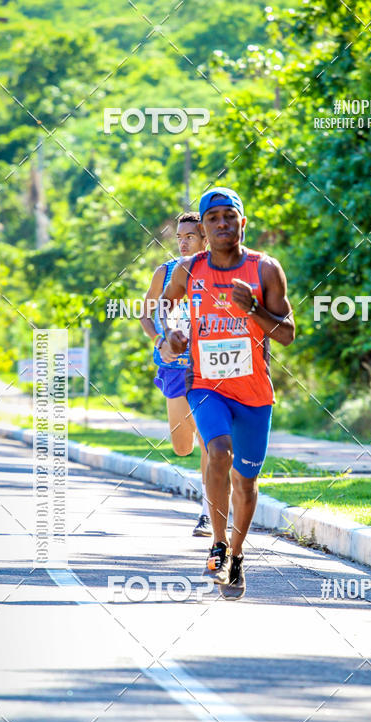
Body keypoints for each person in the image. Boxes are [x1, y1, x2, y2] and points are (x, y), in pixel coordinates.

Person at [158, 187, 295, 599]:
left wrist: (253, 309)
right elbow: (165, 305)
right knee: (217, 451)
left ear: (242, 222)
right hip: (205, 386)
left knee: (246, 482)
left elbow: (287, 334)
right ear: (203, 226)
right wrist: (173, 334)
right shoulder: (188, 269)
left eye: (228, 216)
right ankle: (217, 544)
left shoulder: (265, 269)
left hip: (253, 392)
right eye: (213, 217)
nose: (221, 224)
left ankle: (236, 554)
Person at [140, 211, 211, 537]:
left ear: (205, 238)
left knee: (212, 442)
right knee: (183, 446)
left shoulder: (218, 271)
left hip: (210, 370)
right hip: (173, 369)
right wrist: (160, 340)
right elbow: (146, 314)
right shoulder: (165, 272)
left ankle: (208, 512)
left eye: (190, 237)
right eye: (179, 237)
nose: (183, 243)